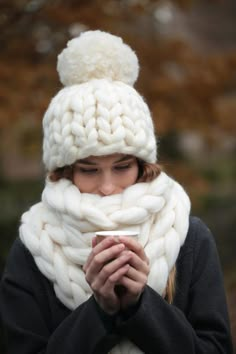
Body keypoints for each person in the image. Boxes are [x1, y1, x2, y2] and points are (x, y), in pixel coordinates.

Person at [0, 30, 233, 354]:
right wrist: (100, 312)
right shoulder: (33, 246)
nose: (107, 187)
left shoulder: (190, 239)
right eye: (89, 169)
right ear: (65, 171)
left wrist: (141, 305)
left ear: (142, 165)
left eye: (122, 167)